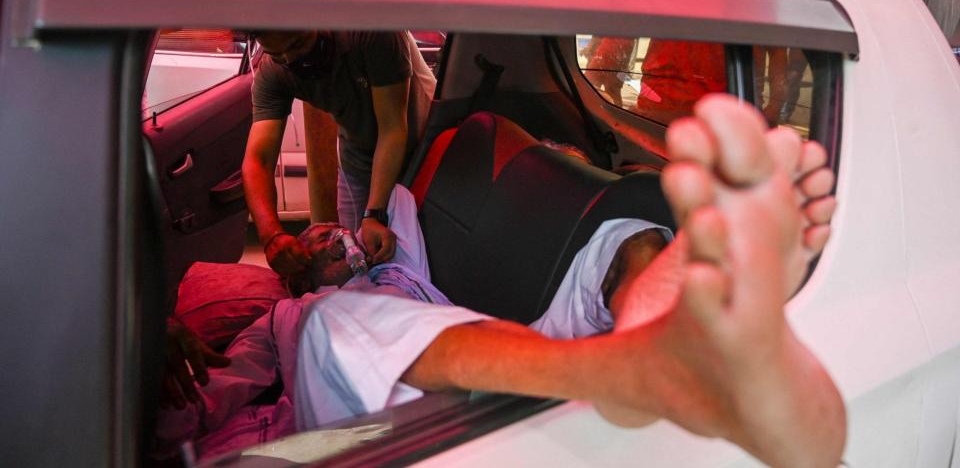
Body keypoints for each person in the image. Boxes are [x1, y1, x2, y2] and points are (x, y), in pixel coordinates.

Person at [158, 95, 845, 468]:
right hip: (378, 413)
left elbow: (417, 188)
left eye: (327, 234)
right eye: (314, 242)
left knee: (620, 242)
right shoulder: (291, 311)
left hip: (499, 358)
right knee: (330, 327)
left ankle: (650, 317)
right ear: (296, 269)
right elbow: (208, 395)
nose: (326, 238)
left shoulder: (396, 258)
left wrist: (373, 234)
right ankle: (639, 367)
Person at [243, 31, 436, 283]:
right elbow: (258, 159)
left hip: (422, 152)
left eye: (298, 44)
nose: (291, 59)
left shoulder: (373, 33)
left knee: (420, 257)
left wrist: (374, 214)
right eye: (277, 54)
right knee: (358, 264)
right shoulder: (274, 72)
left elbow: (392, 130)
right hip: (357, 158)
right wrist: (271, 235)